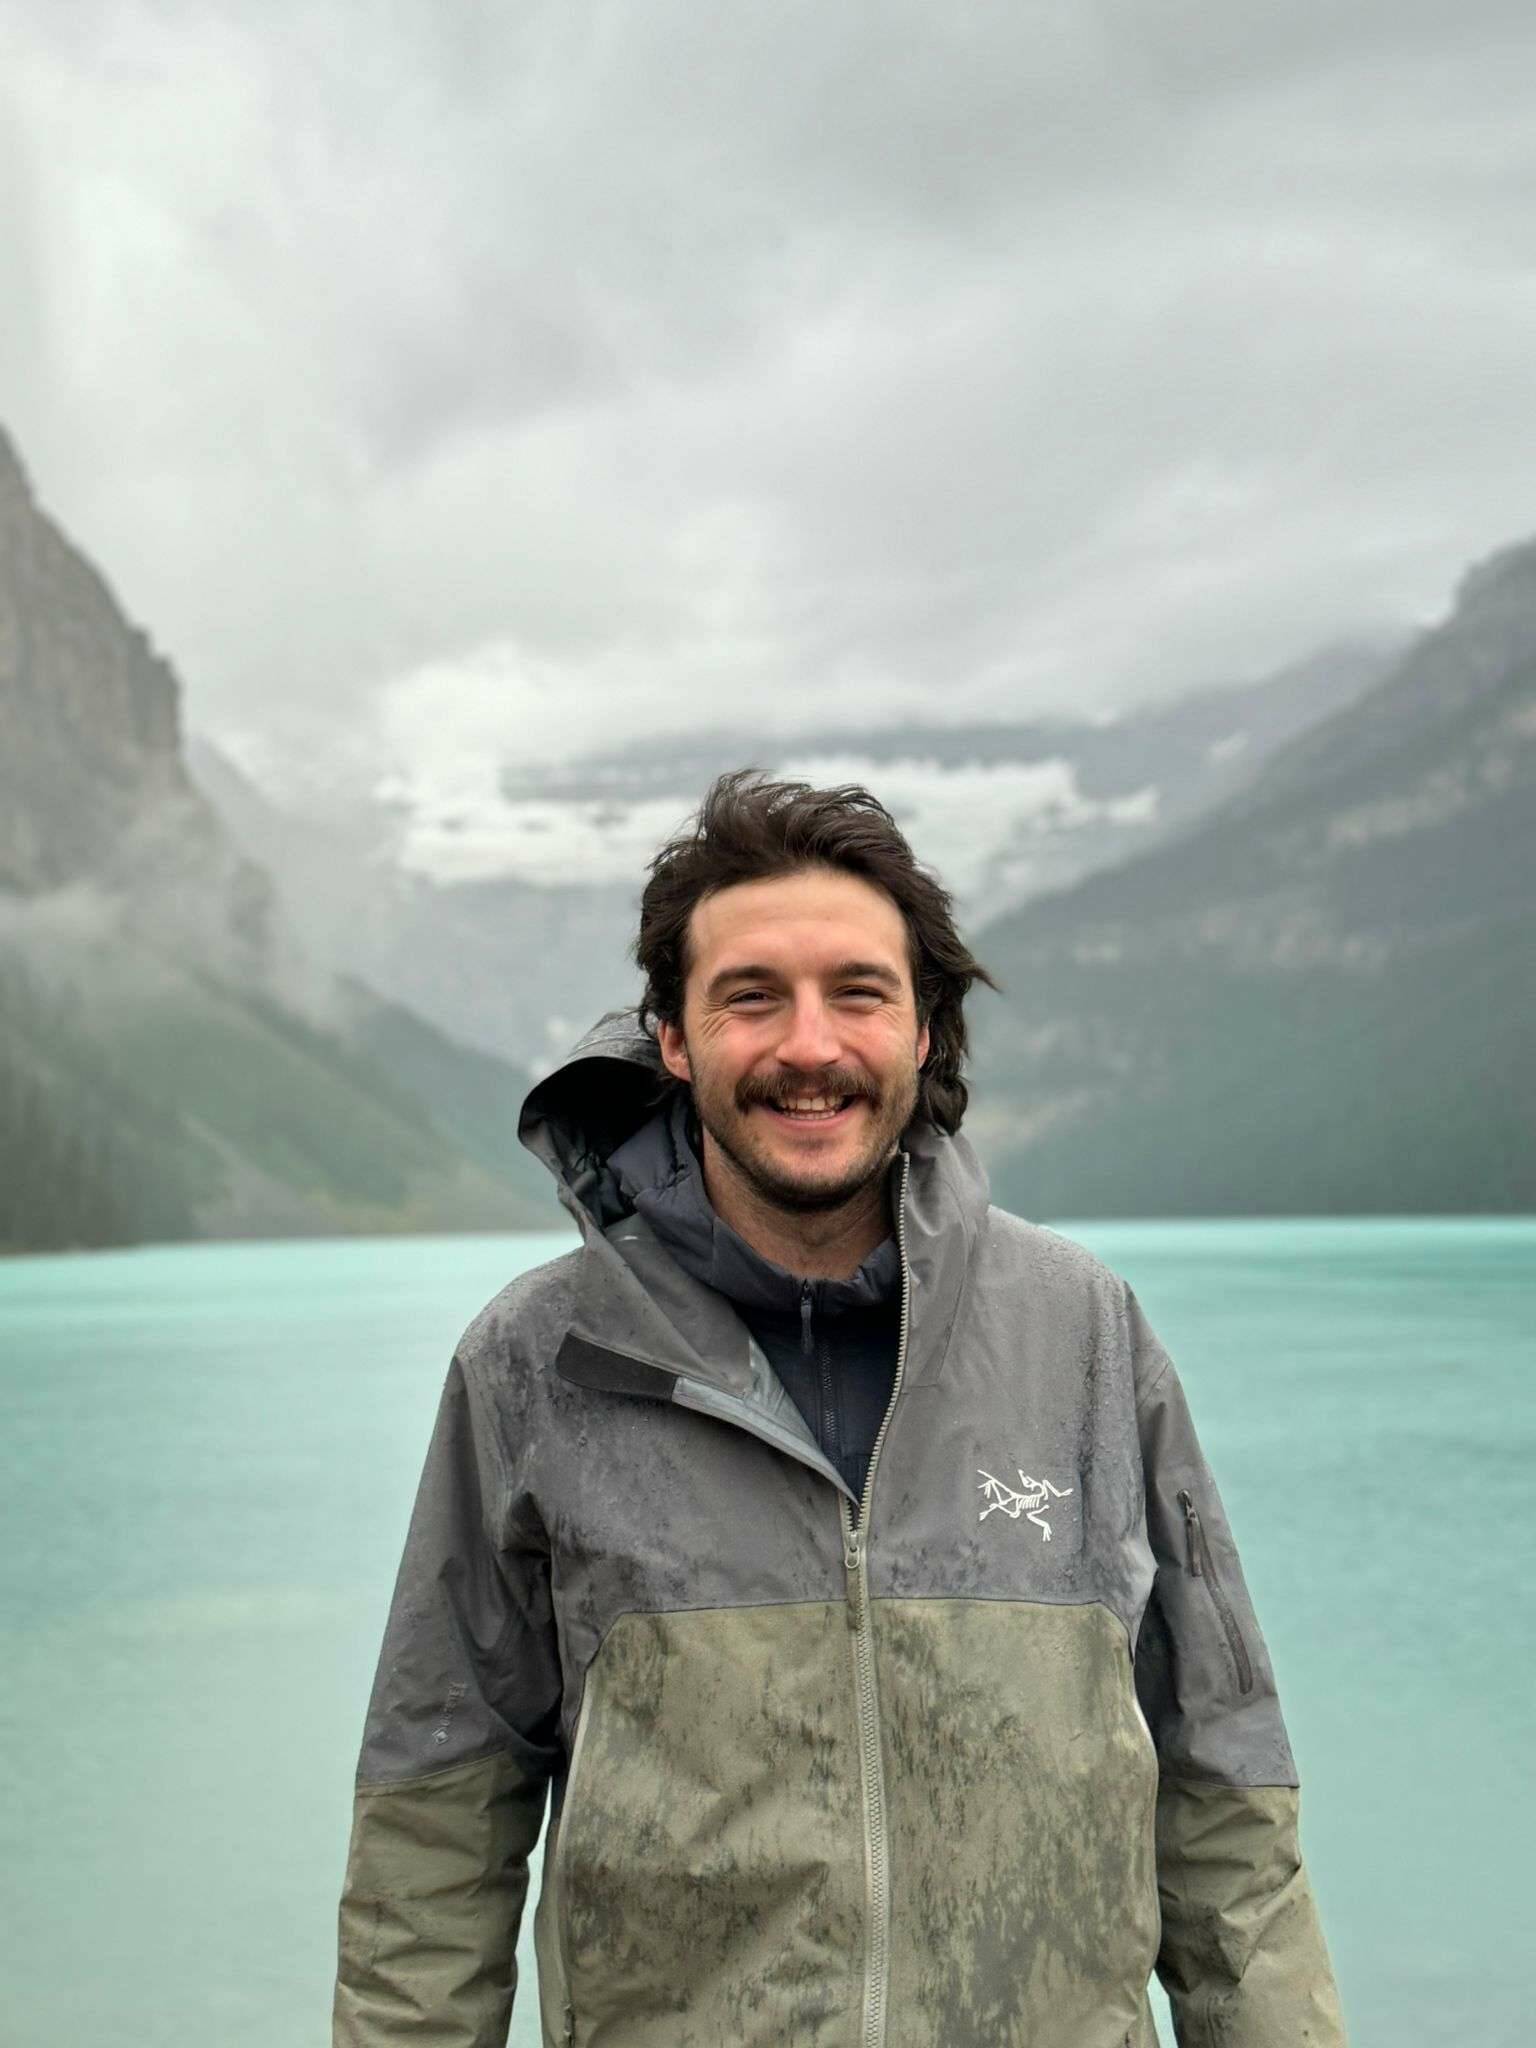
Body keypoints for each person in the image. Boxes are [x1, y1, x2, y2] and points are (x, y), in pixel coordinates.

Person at [333, 772, 1347, 2047]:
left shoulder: (1085, 1331)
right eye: (751, 995)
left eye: (858, 992)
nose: (809, 1046)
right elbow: (433, 1830)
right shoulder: (536, 1362)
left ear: (924, 1031)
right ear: (674, 1037)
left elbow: (1224, 1796)